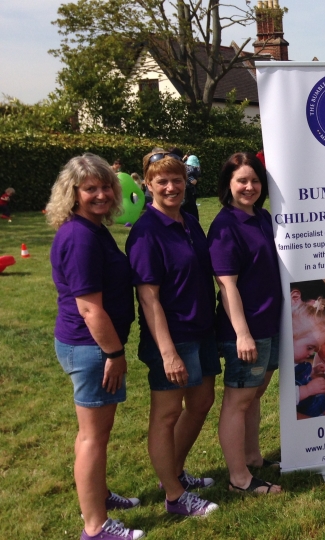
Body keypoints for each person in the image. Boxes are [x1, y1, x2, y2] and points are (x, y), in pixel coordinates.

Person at [47, 154, 144, 540]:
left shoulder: (92, 228)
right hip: (92, 348)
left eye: (106, 186)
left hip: (91, 346)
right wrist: (115, 354)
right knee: (93, 436)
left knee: (93, 433)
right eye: (91, 188)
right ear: (74, 193)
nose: (101, 194)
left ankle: (98, 496)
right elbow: (89, 308)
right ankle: (95, 526)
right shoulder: (79, 237)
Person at [126, 150, 219, 518]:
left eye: (176, 179)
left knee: (201, 403)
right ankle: (175, 497)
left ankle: (174, 474)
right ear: (147, 186)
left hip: (203, 329)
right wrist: (167, 353)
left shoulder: (189, 222)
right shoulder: (146, 233)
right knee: (166, 415)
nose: (170, 187)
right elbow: (148, 299)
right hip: (172, 337)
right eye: (161, 181)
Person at [207, 152, 282, 495]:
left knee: (254, 395)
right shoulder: (225, 226)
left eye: (254, 181)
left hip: (272, 323)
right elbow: (227, 285)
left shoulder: (263, 217)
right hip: (247, 329)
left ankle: (252, 457)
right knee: (238, 400)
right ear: (228, 185)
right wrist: (242, 334)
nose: (249, 187)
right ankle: (239, 478)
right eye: (241, 181)